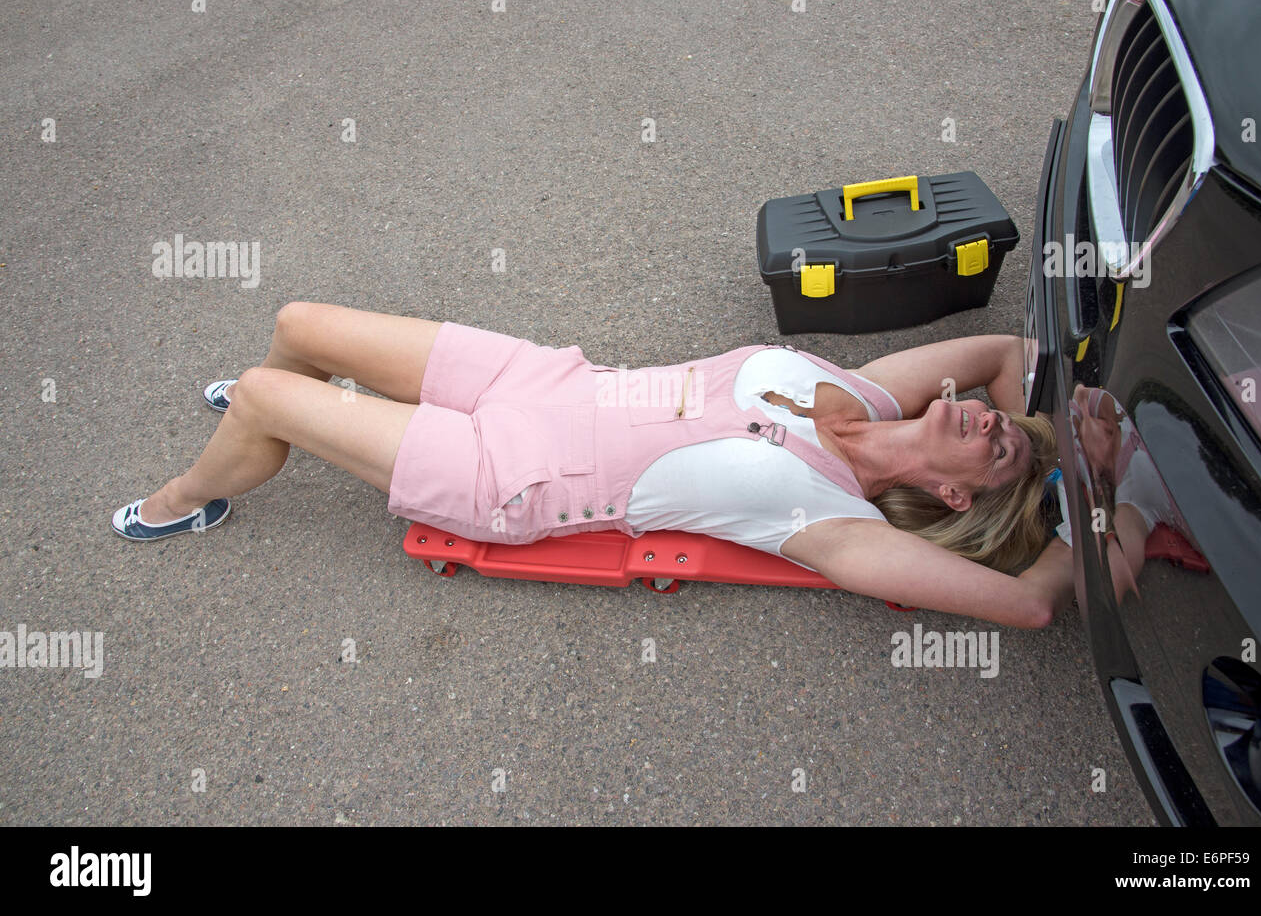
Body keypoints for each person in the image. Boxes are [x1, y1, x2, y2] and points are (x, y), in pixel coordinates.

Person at [112, 302, 1076, 628]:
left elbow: (1031, 601)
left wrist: (1099, 511)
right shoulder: (866, 391)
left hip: (512, 472)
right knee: (293, 325)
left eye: (993, 444)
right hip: (544, 375)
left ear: (954, 494)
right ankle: (261, 424)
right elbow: (1002, 353)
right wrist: (1069, 429)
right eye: (996, 421)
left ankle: (192, 494)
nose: (982, 416)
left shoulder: (836, 528)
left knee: (267, 388)